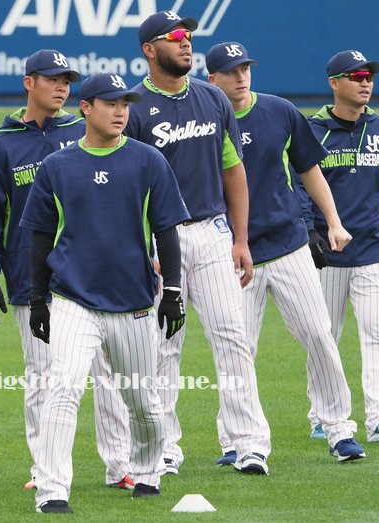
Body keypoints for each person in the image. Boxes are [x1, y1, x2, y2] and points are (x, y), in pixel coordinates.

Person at [19, 72, 190, 513]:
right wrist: (39, 300)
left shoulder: (148, 161)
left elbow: (167, 231)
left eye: (125, 104)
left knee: (144, 405)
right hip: (74, 300)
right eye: (110, 103)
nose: (120, 112)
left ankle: (148, 471)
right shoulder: (58, 166)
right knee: (63, 388)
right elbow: (39, 237)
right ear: (86, 108)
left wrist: (172, 290)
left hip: (133, 303)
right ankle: (53, 490)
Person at [0, 49, 133, 492]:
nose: (61, 86)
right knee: (43, 377)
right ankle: (45, 468)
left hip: (93, 276)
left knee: (108, 376)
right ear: (28, 82)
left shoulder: (84, 133)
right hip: (31, 280)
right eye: (52, 78)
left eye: (67, 79)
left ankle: (119, 465)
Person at [205, 41, 367, 463]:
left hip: (288, 244)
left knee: (319, 336)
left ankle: (338, 430)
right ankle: (235, 440)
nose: (241, 77)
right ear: (212, 79)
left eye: (246, 69)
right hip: (231, 255)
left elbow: (309, 170)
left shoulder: (279, 110)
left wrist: (333, 221)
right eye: (231, 71)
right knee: (239, 350)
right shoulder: (203, 120)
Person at [125, 11, 272, 475]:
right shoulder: (131, 107)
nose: (186, 43)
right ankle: (165, 446)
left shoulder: (212, 99)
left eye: (189, 35)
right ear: (150, 49)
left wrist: (242, 238)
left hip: (211, 232)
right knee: (164, 344)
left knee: (232, 334)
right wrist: (138, 248)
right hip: (157, 238)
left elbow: (233, 170)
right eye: (175, 37)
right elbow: (126, 188)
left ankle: (249, 442)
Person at [305, 50, 379, 443]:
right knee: (323, 337)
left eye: (369, 75)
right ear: (334, 83)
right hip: (325, 256)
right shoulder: (311, 131)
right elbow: (300, 188)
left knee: (376, 334)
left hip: (375, 251)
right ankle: (322, 414)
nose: (365, 81)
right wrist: (310, 233)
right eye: (355, 76)